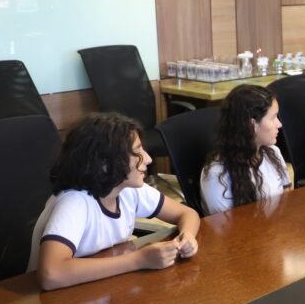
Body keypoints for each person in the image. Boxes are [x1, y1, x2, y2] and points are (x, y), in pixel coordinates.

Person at [30, 113, 200, 291]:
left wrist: (187, 235)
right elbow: (51, 274)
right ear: (105, 163)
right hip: (50, 302)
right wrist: (138, 260)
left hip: (97, 289)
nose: (148, 159)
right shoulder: (75, 201)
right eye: (137, 152)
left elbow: (187, 213)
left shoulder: (128, 189)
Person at [200, 84, 291, 215]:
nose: (279, 124)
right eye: (273, 117)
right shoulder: (217, 175)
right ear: (252, 124)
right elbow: (225, 229)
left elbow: (287, 197)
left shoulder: (273, 153)